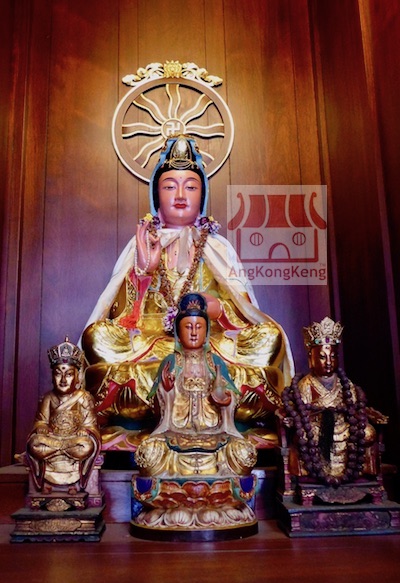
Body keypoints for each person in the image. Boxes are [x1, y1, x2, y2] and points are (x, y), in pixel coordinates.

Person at [81, 135, 294, 449]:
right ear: (157, 195)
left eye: (191, 187)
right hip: (153, 346)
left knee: (268, 338)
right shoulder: (141, 244)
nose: (180, 195)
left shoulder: (218, 247)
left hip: (212, 346)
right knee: (97, 337)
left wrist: (219, 310)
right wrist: (144, 272)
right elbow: (121, 318)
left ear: (202, 195)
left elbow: (246, 313)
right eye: (170, 187)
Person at [134, 293, 257, 477]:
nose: (193, 332)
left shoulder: (215, 362)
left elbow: (232, 396)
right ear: (178, 333)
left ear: (206, 333)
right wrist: (166, 391)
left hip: (214, 433)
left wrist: (225, 400)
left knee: (242, 453)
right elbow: (156, 410)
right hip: (175, 432)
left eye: (199, 327)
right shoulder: (170, 362)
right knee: (150, 453)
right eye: (188, 327)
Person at [281, 317, 387, 486]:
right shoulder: (306, 384)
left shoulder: (345, 383)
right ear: (311, 359)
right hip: (316, 428)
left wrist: (361, 415)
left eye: (333, 356)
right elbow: (302, 412)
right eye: (322, 357)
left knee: (368, 433)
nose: (329, 362)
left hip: (344, 426)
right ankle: (315, 475)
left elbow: (354, 407)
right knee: (304, 436)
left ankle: (362, 473)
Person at [26, 337, 101, 492]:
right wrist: (41, 427)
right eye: (58, 374)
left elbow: (91, 425)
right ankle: (53, 470)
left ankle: (70, 475)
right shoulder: (48, 398)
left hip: (73, 440)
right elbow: (40, 421)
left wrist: (85, 430)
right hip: (54, 439)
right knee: (34, 443)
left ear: (77, 377)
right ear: (52, 377)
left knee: (86, 444)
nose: (63, 380)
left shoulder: (84, 398)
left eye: (69, 374)